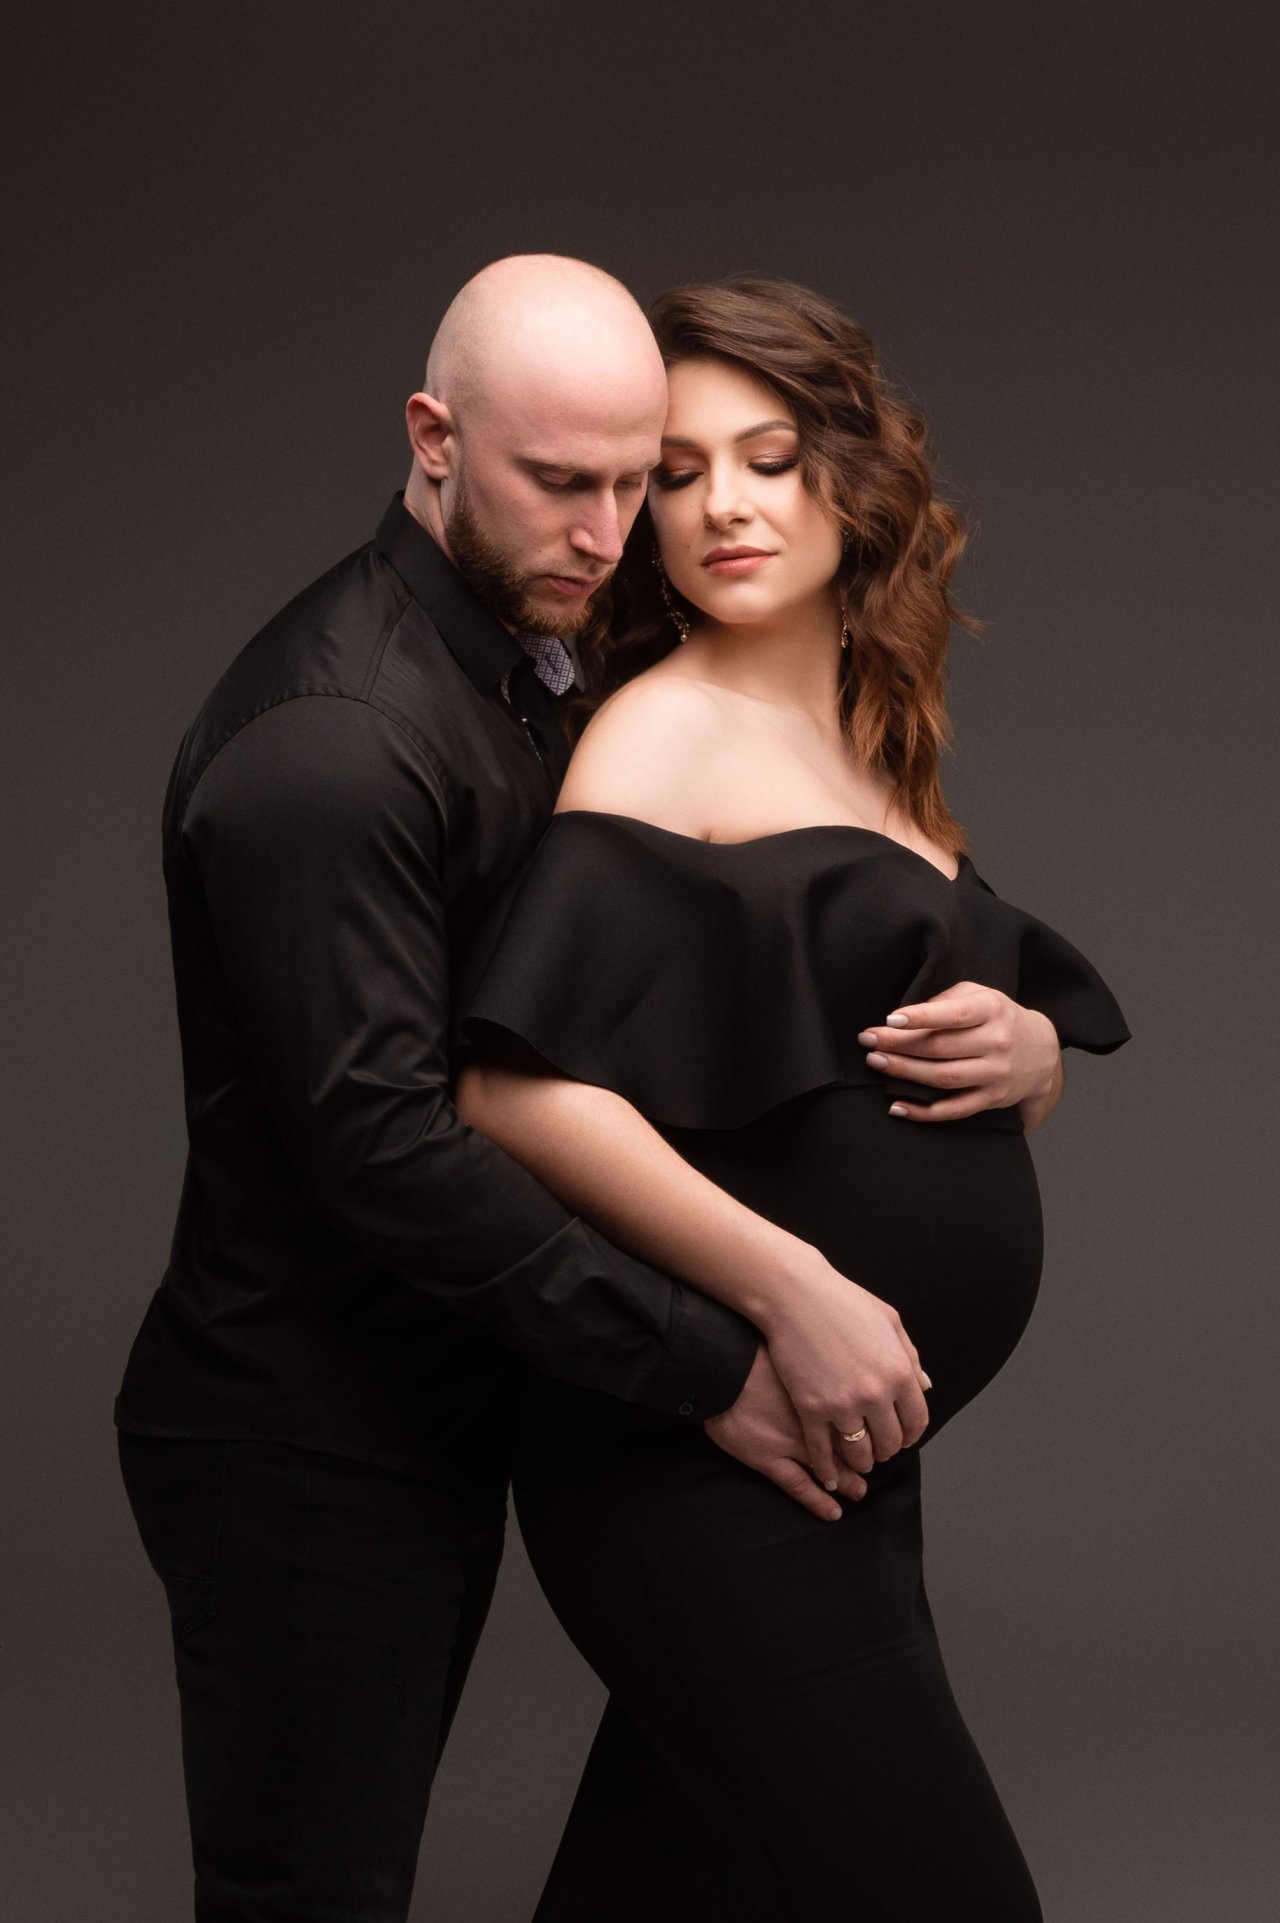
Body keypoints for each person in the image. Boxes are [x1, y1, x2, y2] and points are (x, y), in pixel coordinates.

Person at [114, 255, 911, 1922]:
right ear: (432, 437)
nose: (608, 534)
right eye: (561, 483)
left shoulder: (534, 659)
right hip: (306, 1441)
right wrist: (713, 1360)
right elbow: (388, 1146)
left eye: (634, 483)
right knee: (309, 1898)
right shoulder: (334, 742)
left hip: (465, 1389)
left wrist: (1020, 1022)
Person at [457, 275, 1131, 1919]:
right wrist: (797, 1290)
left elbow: (877, 1063)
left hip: (843, 1465)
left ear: (853, 476)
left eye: (768, 458)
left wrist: (1034, 1057)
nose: (722, 508)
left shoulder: (875, 746)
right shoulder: (660, 733)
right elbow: (514, 1090)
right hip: (709, 1460)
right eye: (678, 475)